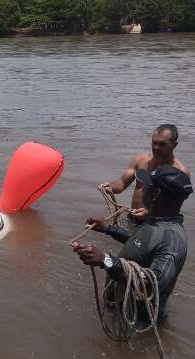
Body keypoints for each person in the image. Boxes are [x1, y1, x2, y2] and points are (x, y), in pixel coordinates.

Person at [73, 165, 192, 321]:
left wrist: (105, 260)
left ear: (155, 194)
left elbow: (152, 284)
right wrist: (108, 229)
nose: (142, 189)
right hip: (121, 307)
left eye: (147, 186)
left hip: (138, 322)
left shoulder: (172, 241)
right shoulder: (155, 221)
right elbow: (139, 243)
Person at [100, 124, 190, 213]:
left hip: (158, 224)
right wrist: (110, 186)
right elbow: (121, 184)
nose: (156, 148)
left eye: (162, 144)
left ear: (174, 145)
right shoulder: (140, 160)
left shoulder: (180, 172)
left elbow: (174, 206)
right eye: (154, 143)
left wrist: (148, 215)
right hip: (133, 218)